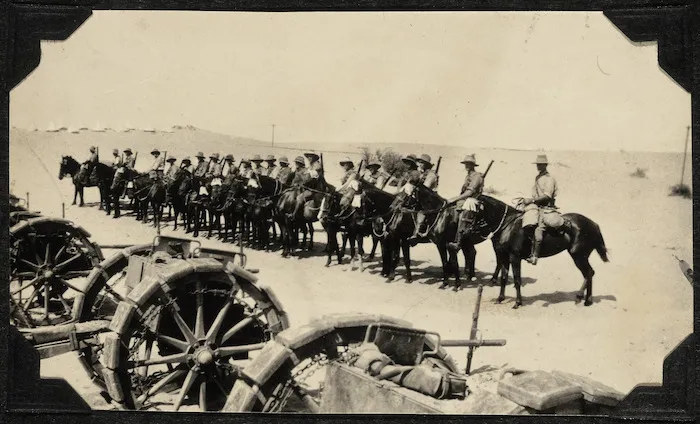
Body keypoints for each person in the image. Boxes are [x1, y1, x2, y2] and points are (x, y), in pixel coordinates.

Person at [521, 154, 561, 265]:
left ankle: (534, 256)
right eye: (538, 164)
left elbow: (547, 196)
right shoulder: (538, 177)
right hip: (537, 206)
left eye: (541, 164)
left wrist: (532, 201)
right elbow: (535, 195)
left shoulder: (550, 179)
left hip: (546, 208)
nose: (538, 166)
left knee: (538, 231)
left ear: (545, 165)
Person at [446, 155, 484, 251]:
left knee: (466, 208)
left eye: (469, 164)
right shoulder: (468, 176)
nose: (466, 165)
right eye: (466, 163)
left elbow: (470, 192)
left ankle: (458, 242)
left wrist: (455, 198)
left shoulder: (477, 176)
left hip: (473, 200)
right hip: (465, 199)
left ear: (473, 165)